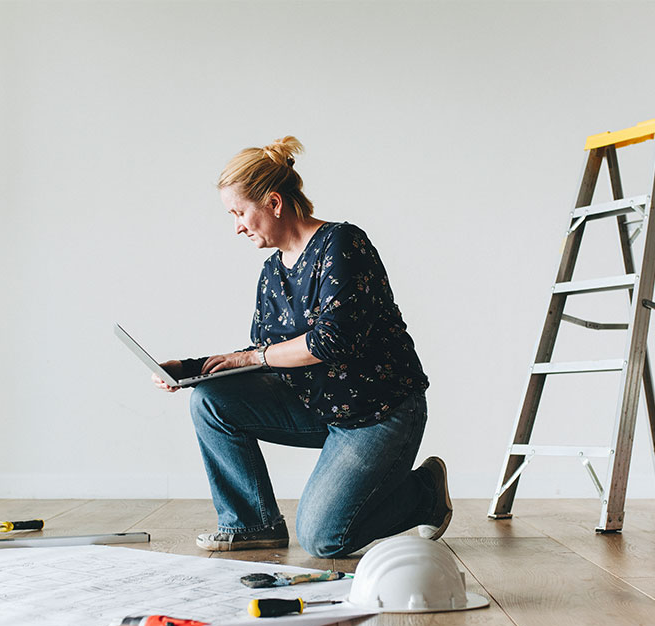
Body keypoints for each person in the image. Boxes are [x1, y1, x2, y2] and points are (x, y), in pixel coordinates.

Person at [153, 136, 451, 558]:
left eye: (240, 212)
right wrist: (190, 367)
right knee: (210, 399)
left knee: (324, 540)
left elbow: (331, 340)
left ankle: (424, 495)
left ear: (274, 202)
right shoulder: (271, 272)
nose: (236, 226)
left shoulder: (343, 244)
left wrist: (252, 357)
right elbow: (268, 352)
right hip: (317, 406)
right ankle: (251, 524)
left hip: (378, 415)